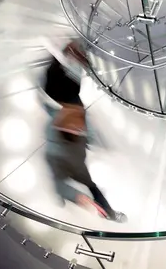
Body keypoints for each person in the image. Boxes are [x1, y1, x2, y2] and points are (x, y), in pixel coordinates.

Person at [42, 41, 127, 223]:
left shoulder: (74, 109)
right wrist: (76, 196)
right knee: (74, 188)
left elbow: (88, 135)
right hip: (70, 165)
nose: (80, 125)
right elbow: (58, 182)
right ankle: (66, 204)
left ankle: (111, 214)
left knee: (92, 186)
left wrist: (103, 144)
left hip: (78, 166)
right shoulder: (55, 150)